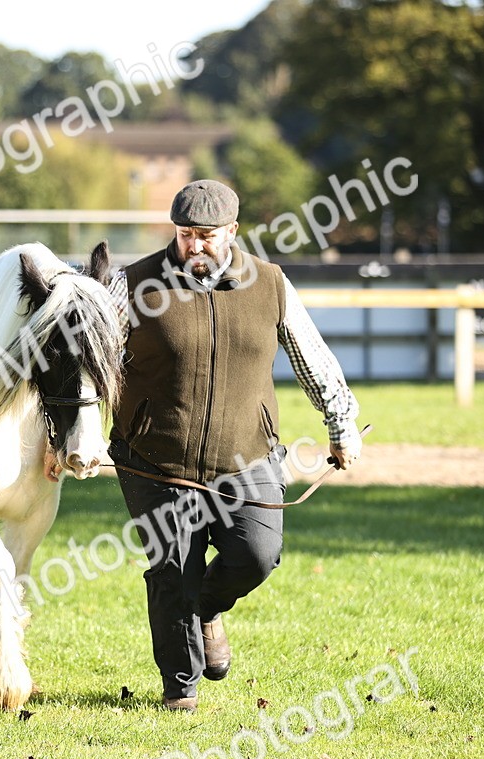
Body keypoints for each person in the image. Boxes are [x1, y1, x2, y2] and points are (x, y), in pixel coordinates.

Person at [92, 179, 363, 713]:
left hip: (249, 454)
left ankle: (208, 611)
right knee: (174, 568)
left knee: (257, 556)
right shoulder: (133, 285)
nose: (194, 245)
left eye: (207, 235)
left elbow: (311, 353)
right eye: (185, 234)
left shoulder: (271, 284)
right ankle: (180, 691)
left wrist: (341, 421)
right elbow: (89, 361)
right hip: (154, 458)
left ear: (233, 233)